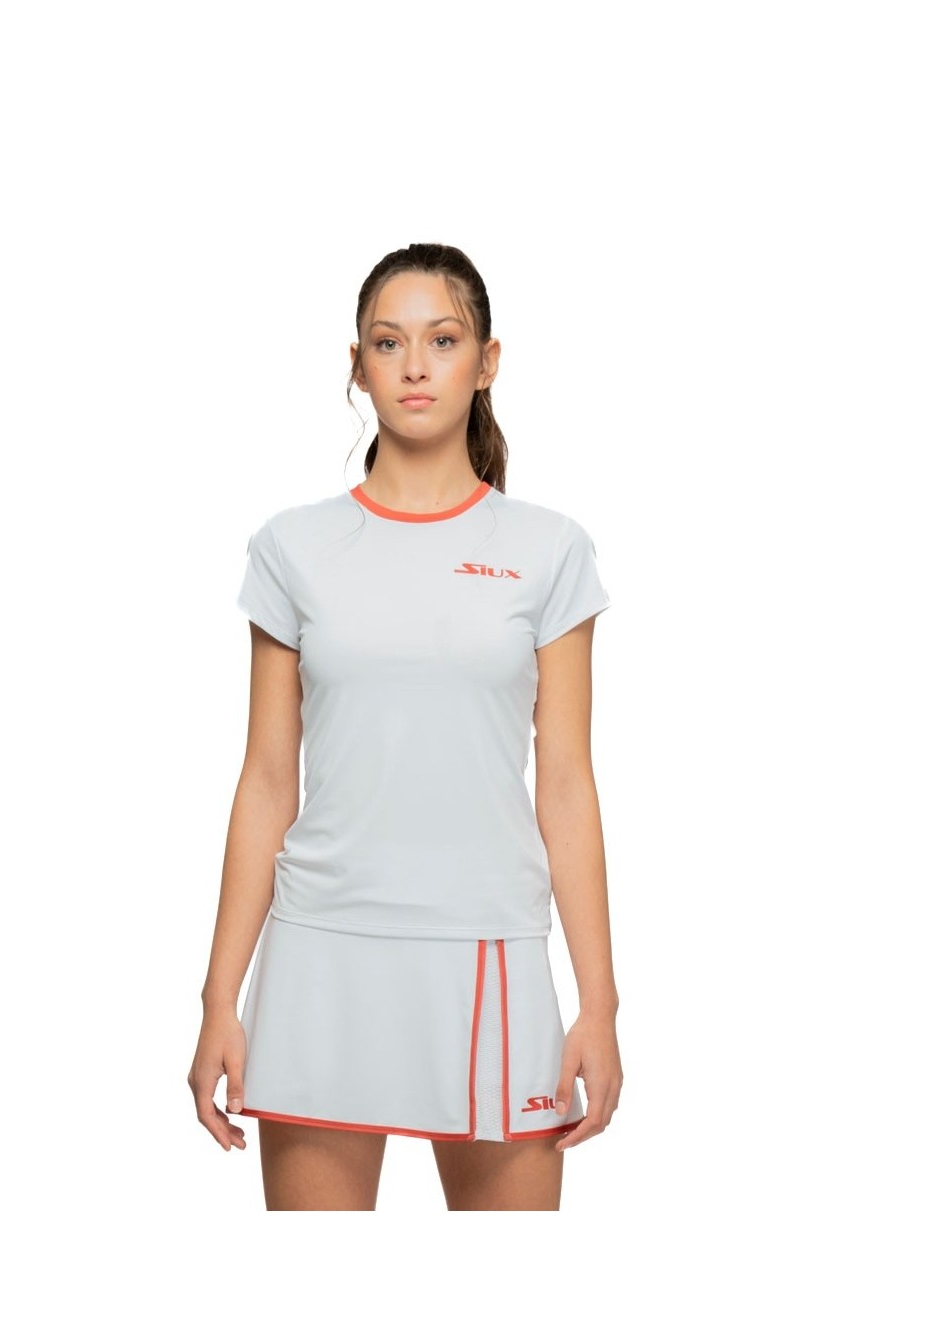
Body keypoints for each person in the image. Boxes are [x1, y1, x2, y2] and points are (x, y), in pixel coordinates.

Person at [188, 242, 622, 1211]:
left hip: (488, 951)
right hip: (320, 955)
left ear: (487, 360)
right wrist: (219, 997)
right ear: (357, 365)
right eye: (388, 343)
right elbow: (266, 780)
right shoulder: (293, 547)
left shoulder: (547, 550)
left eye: (443, 340)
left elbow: (566, 784)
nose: (415, 366)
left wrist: (598, 1003)